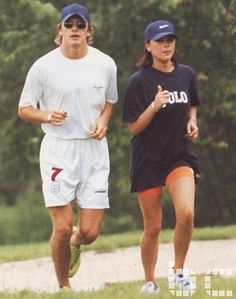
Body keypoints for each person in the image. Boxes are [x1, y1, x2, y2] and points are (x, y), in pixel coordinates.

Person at [18, 3, 117, 290]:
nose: (75, 29)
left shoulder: (105, 63)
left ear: (89, 31)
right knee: (61, 227)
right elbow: (24, 109)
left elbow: (110, 101)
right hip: (58, 150)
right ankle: (64, 287)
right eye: (69, 25)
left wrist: (103, 120)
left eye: (80, 25)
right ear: (59, 30)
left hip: (94, 150)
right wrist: (48, 115)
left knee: (89, 231)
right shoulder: (43, 67)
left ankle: (77, 242)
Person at [123, 19, 200, 294]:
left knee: (187, 213)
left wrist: (192, 121)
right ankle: (149, 281)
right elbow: (134, 127)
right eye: (160, 41)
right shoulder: (138, 82)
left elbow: (192, 103)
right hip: (148, 160)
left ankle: (178, 273)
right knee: (153, 227)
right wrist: (154, 107)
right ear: (148, 46)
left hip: (179, 155)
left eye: (170, 40)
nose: (166, 45)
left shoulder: (186, 74)